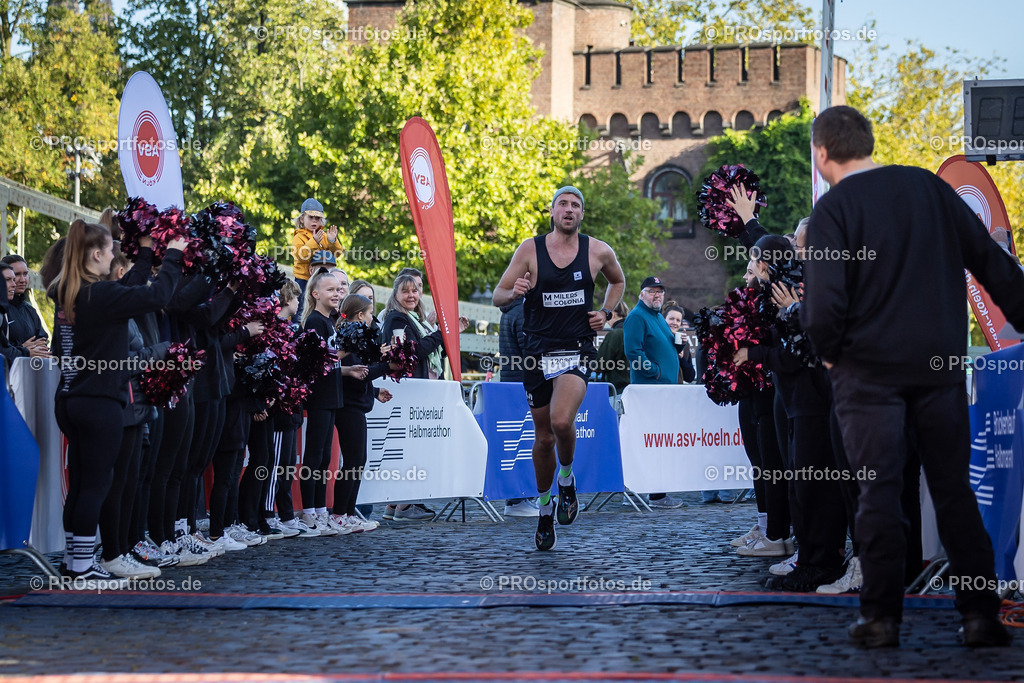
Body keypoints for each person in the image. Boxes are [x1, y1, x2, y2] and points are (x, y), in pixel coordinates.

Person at [801, 105, 1024, 648]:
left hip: (866, 375)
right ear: (869, 141)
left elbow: (823, 305)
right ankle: (979, 615)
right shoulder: (929, 189)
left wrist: (830, 354)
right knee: (953, 492)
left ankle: (880, 617)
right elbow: (992, 264)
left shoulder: (835, 210)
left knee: (877, 491)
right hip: (938, 368)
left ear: (823, 152)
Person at [49, 220, 186, 584]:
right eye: (110, 250)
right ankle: (80, 569)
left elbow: (127, 288)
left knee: (80, 484)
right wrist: (173, 255)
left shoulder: (73, 291)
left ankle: (73, 562)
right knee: (96, 485)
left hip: (71, 399)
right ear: (97, 255)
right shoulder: (101, 296)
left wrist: (144, 250)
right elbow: (156, 296)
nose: (113, 256)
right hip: (100, 402)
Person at [493, 185, 625, 551]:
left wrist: (606, 313)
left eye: (576, 205)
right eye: (563, 204)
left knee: (562, 421)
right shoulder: (530, 250)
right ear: (551, 212)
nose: (569, 210)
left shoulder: (598, 251)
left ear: (582, 215)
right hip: (535, 352)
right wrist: (516, 291)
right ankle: (545, 508)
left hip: (576, 350)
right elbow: (498, 296)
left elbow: (618, 282)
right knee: (544, 437)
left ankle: (566, 480)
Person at [379, 273, 468, 521]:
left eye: (415, 291)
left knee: (411, 446)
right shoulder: (397, 318)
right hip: (409, 391)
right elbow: (410, 353)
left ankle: (395, 505)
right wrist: (442, 334)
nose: (411, 295)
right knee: (411, 448)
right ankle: (405, 507)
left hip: (416, 390)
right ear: (395, 295)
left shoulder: (413, 319)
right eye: (405, 291)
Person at [332, 294, 394, 532]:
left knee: (357, 461)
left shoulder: (355, 337)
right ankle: (340, 513)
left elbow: (363, 374)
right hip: (349, 406)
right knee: (354, 461)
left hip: (355, 404)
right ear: (360, 316)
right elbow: (359, 374)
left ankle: (347, 513)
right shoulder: (351, 337)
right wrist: (386, 365)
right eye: (370, 314)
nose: (372, 318)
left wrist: (376, 386)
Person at [623, 276, 683, 509]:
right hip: (650, 391)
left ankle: (659, 493)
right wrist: (655, 372)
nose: (657, 295)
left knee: (661, 441)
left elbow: (661, 345)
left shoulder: (657, 316)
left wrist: (676, 347)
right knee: (654, 442)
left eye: (660, 292)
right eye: (652, 291)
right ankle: (656, 495)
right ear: (641, 294)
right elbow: (633, 353)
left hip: (664, 392)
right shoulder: (636, 317)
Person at [498, 296, 538, 517]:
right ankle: (518, 499)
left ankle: (518, 498)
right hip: (524, 383)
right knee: (524, 443)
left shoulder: (509, 310)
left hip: (512, 382)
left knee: (518, 441)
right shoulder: (522, 311)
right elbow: (529, 352)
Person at [291, 198, 344, 319]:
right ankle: (297, 329)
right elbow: (301, 256)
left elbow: (337, 254)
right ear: (301, 219)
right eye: (311, 217)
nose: (314, 221)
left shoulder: (324, 236)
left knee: (320, 308)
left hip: (321, 280)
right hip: (303, 279)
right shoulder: (298, 237)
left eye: (318, 218)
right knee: (300, 308)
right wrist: (314, 242)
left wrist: (332, 241)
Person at [1, 254, 48, 344]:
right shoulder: (2, 311)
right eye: (17, 274)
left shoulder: (30, 310)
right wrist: (23, 349)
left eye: (25, 274)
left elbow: (43, 340)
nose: (22, 280)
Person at [595, 301, 630, 393]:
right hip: (635, 390)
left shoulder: (615, 334)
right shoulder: (635, 331)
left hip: (616, 390)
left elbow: (600, 364)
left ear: (613, 315)